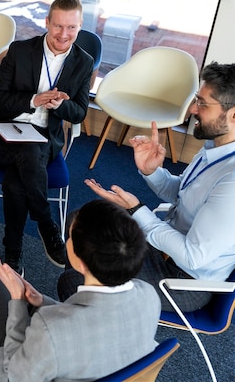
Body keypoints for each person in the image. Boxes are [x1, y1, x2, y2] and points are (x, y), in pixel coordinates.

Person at [0, 199, 160, 382]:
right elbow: (93, 320)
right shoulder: (149, 296)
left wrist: (19, 303)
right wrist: (41, 301)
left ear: (81, 263)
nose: (67, 242)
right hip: (97, 366)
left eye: (70, 238)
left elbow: (5, 377)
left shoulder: (50, 328)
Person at [59, 62, 235, 312]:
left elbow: (193, 256)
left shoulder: (232, 181)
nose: (193, 109)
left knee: (74, 283)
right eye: (196, 99)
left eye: (203, 103)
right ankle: (95, 307)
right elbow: (181, 195)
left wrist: (136, 210)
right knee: (82, 220)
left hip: (181, 280)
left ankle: (90, 313)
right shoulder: (214, 148)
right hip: (164, 247)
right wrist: (151, 171)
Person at [0, 0, 93, 271]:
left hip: (44, 137)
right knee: (28, 151)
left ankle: (13, 252)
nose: (64, 34)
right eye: (58, 26)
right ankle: (47, 225)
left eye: (72, 27)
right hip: (5, 133)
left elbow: (80, 112)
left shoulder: (84, 62)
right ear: (47, 22)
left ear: (80, 27)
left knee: (15, 182)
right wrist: (34, 100)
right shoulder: (20, 51)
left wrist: (59, 107)